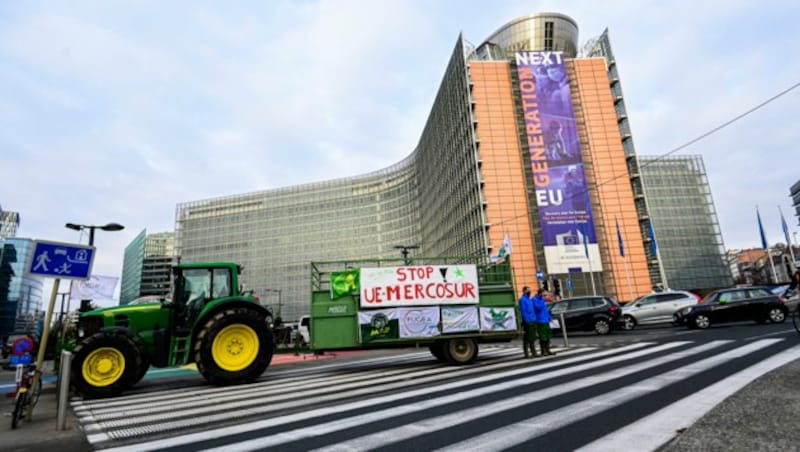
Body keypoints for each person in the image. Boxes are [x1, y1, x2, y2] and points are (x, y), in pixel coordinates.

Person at [532, 288, 555, 356]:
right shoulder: (535, 299)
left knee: (548, 336)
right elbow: (538, 308)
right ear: (540, 293)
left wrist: (549, 317)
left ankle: (548, 350)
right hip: (540, 320)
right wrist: (543, 300)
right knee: (543, 337)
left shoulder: (542, 299)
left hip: (545, 320)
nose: (545, 295)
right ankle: (543, 351)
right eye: (544, 293)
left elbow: (545, 310)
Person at [518, 286, 537, 358]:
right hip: (528, 320)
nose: (529, 291)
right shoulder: (523, 300)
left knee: (532, 337)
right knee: (526, 337)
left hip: (532, 320)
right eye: (528, 290)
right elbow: (523, 311)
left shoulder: (529, 299)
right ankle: (526, 354)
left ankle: (533, 352)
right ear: (524, 291)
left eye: (530, 290)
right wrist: (525, 320)